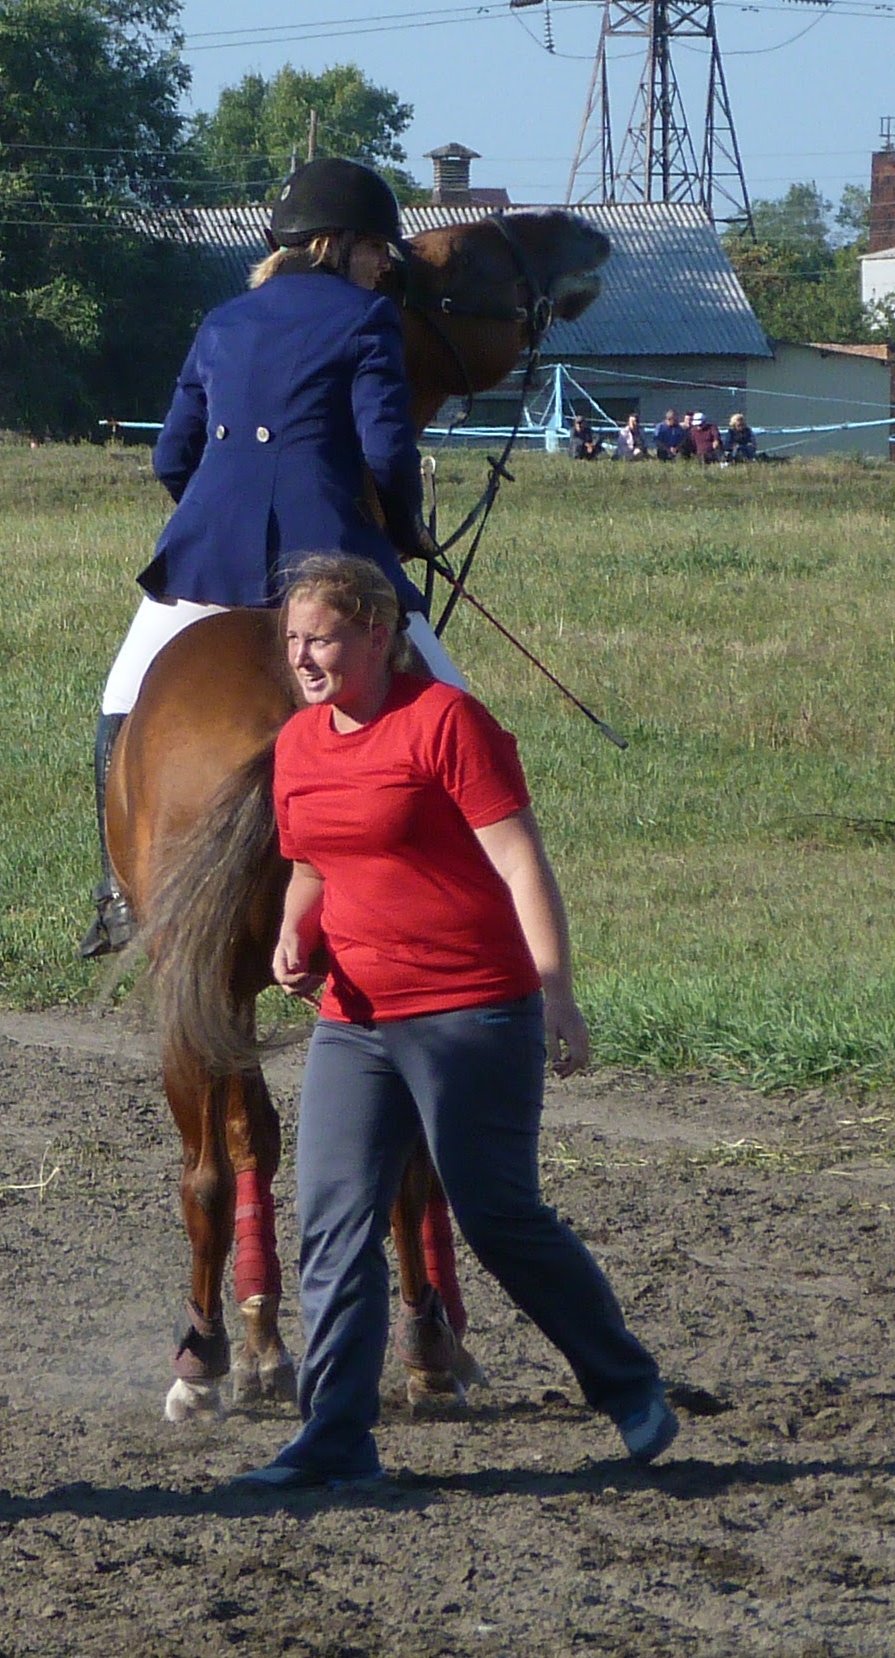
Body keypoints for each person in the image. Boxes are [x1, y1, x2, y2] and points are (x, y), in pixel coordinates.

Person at [237, 550, 674, 1491]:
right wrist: (293, 931)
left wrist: (556, 990)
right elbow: (311, 861)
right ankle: (336, 1437)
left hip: (471, 1010)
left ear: (378, 636)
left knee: (495, 1214)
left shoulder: (446, 722)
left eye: (323, 639)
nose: (303, 657)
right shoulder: (299, 743)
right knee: (333, 1222)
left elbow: (519, 860)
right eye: (293, 639)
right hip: (355, 1018)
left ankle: (627, 1384)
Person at [88, 158, 471, 956]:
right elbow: (388, 451)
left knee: (121, 704)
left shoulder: (223, 320)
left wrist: (217, 511)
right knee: (455, 707)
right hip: (331, 553)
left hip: (203, 559)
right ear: (338, 245)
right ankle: (470, 896)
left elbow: (172, 455)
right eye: (378, 250)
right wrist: (404, 529)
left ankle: (117, 894)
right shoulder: (367, 320)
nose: (383, 267)